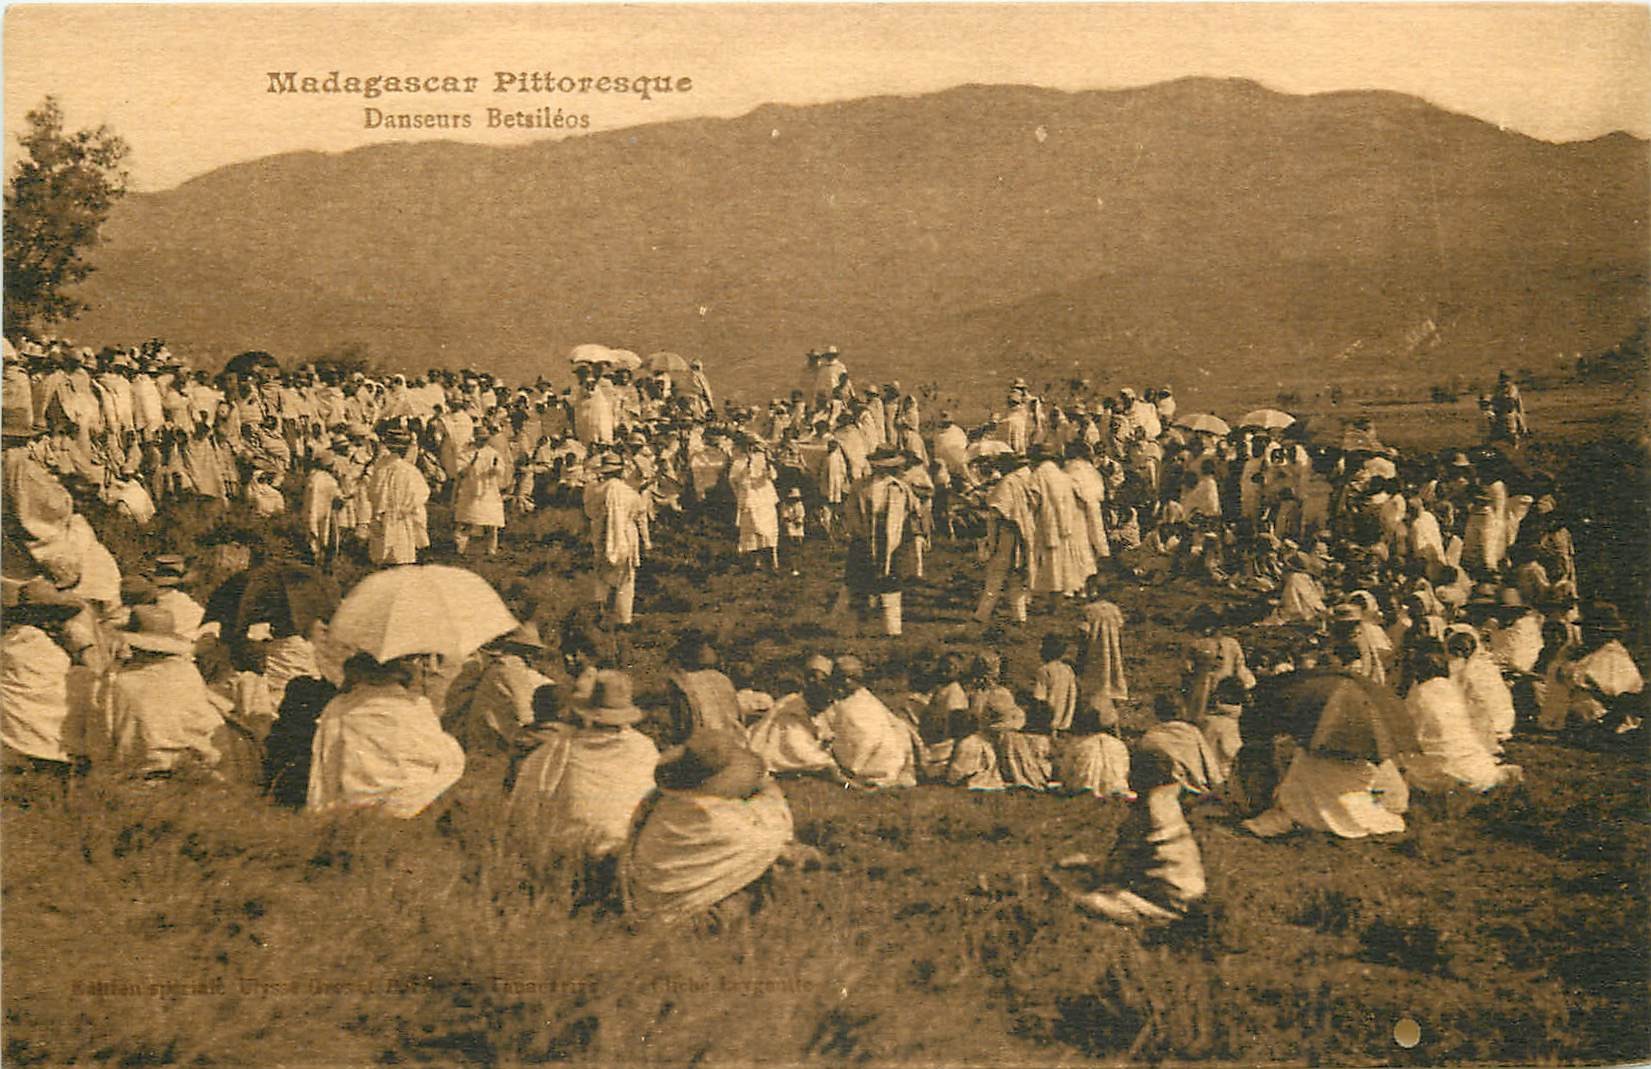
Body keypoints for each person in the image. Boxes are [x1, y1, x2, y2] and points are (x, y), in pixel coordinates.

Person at [505, 673, 660, 901]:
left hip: (568, 858)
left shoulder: (559, 750)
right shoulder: (645, 749)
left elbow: (522, 806)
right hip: (626, 859)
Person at [620, 729, 800, 925]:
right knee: (768, 870)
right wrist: (768, 791)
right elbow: (772, 838)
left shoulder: (663, 801)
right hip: (679, 908)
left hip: (644, 896)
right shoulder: (714, 818)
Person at [1046, 748, 1206, 926]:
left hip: (1168, 900)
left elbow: (1125, 863)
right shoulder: (1167, 801)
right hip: (1186, 891)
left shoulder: (1149, 812)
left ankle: (1160, 921)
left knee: (1082, 898)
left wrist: (1088, 863)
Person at [307, 651, 465, 818]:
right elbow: (443, 759)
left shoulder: (338, 707)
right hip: (414, 806)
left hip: (353, 808)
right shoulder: (416, 705)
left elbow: (325, 766)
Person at [92, 606, 226, 776]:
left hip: (138, 774)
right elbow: (207, 724)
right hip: (191, 767)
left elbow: (101, 741)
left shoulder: (119, 683)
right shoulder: (187, 673)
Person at [815, 655, 918, 788]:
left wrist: (854, 767)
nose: (846, 681)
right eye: (841, 677)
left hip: (874, 759)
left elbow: (872, 737)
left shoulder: (865, 702)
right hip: (851, 753)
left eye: (852, 677)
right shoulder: (839, 701)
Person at [583, 451, 651, 627]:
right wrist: (646, 540)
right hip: (626, 535)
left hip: (602, 534)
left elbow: (589, 512)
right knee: (626, 578)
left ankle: (600, 611)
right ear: (620, 472)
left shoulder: (596, 490)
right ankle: (623, 618)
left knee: (601, 573)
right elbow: (640, 514)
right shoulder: (629, 493)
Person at [664, 630, 745, 744]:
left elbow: (683, 722)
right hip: (727, 740)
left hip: (710, 741)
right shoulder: (721, 678)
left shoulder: (682, 681)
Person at [366, 427, 431, 565]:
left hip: (383, 513)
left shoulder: (380, 466)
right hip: (402, 515)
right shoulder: (409, 470)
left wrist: (380, 507)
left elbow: (373, 491)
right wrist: (409, 508)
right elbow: (422, 494)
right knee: (401, 548)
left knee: (382, 546)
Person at [1052, 699, 1131, 798]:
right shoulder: (1119, 745)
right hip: (1117, 787)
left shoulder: (1077, 744)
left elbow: (1065, 773)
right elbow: (1126, 770)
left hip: (1082, 787)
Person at [453, 435, 509, 556]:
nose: (483, 441)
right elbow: (461, 472)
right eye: (481, 438)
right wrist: (472, 463)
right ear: (475, 438)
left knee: (491, 523)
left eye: (485, 439)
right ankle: (459, 548)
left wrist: (495, 469)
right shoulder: (466, 452)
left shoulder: (493, 453)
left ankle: (491, 550)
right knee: (466, 520)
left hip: (489, 491)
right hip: (470, 491)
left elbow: (501, 469)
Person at [1032, 632, 1080, 735]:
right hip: (1066, 721)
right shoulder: (1068, 669)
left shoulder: (1044, 670)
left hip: (1048, 721)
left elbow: (1040, 698)